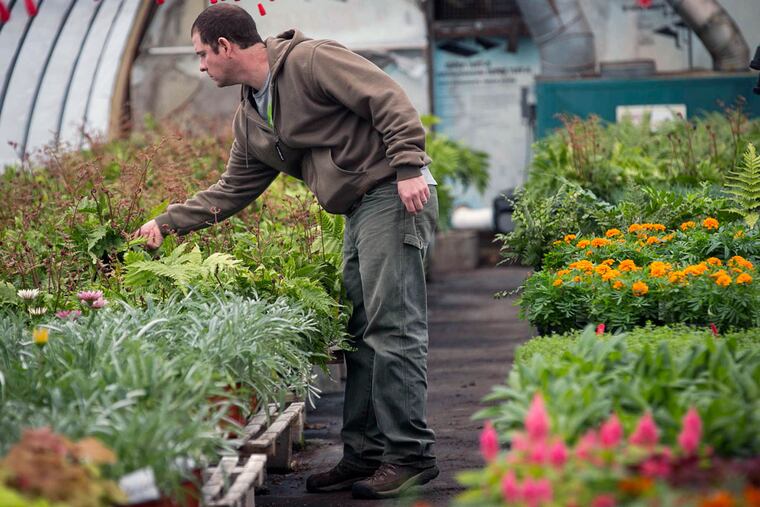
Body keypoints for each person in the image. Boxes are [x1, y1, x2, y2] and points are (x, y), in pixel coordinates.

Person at [134, 4, 439, 499]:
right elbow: (233, 188)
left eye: (202, 55)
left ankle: (410, 456)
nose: (200, 66)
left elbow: (388, 98)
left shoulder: (310, 61)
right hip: (359, 209)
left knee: (393, 326)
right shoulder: (251, 117)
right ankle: (364, 456)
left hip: (392, 192)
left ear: (225, 48)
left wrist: (408, 165)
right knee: (358, 332)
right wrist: (167, 223)